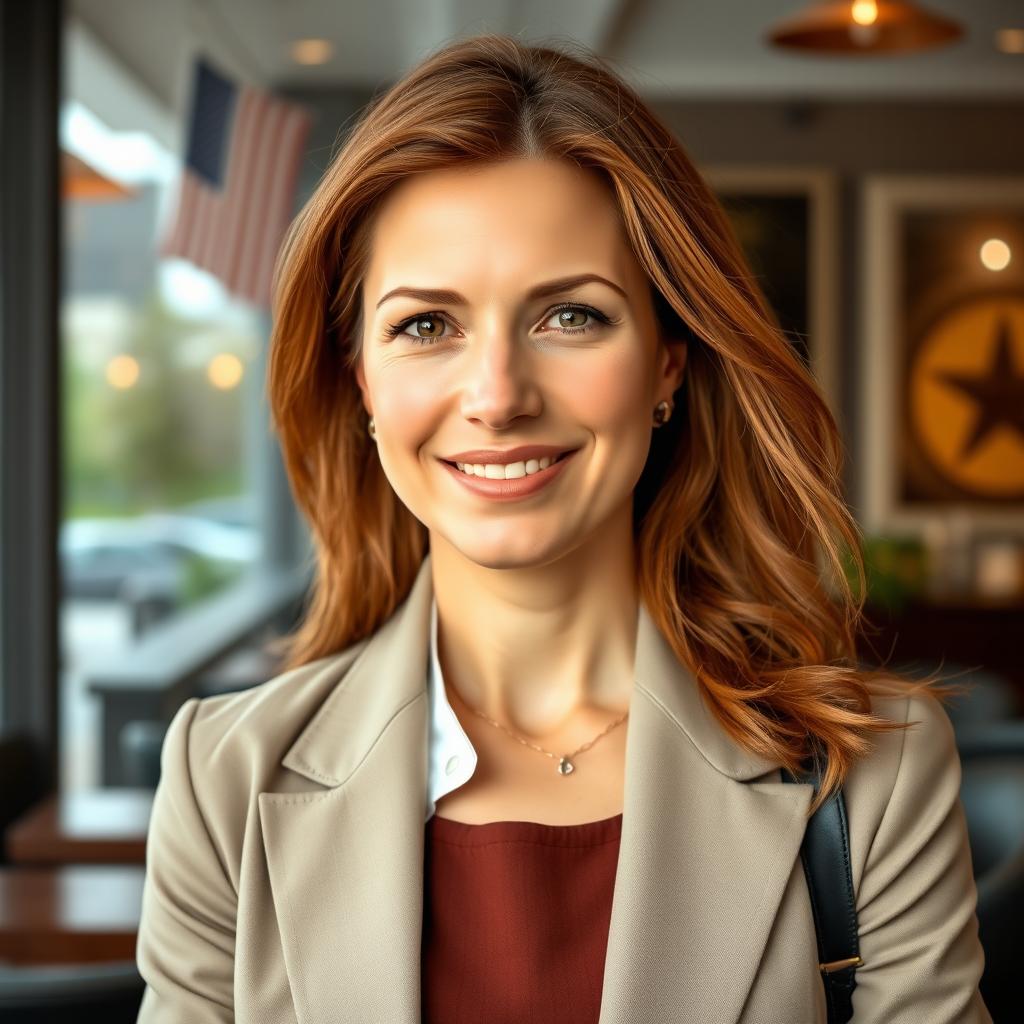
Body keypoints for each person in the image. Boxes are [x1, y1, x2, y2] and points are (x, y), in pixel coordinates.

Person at [134, 33, 991, 1024]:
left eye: (571, 316)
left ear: (668, 360)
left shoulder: (871, 779)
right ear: (363, 378)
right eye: (425, 324)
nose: (496, 396)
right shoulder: (222, 780)